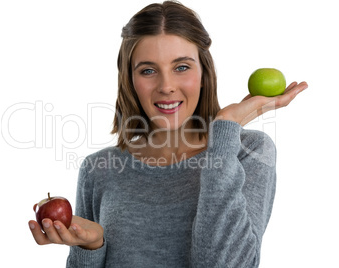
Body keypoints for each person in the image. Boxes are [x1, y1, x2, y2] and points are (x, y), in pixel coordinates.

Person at [28, 1, 308, 267]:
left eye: (182, 67)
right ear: (130, 80)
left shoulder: (250, 151)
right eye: (148, 70)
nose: (166, 86)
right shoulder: (97, 169)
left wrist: (225, 129)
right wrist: (91, 247)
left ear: (204, 73)